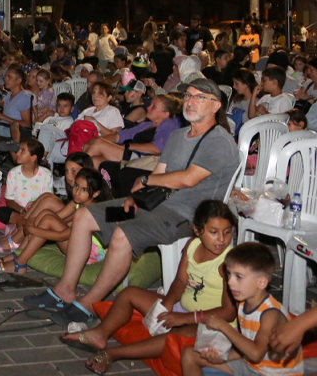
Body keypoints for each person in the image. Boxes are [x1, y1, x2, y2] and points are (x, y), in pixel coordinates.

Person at [25, 77, 241, 327]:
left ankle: (90, 304)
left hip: (185, 216)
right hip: (154, 206)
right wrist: (136, 198)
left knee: (122, 235)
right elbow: (161, 172)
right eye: (188, 96)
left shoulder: (219, 141)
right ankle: (65, 290)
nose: (190, 102)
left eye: (199, 97)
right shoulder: (179, 136)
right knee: (85, 215)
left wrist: (147, 180)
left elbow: (189, 179)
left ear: (216, 106)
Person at [62, 201, 237, 375]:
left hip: (211, 323)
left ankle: (114, 353)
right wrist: (168, 302)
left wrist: (185, 318)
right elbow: (181, 281)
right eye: (214, 232)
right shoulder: (192, 246)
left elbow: (229, 312)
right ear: (198, 230)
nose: (221, 239)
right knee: (129, 293)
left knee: (175, 337)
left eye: (227, 232)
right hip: (183, 309)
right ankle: (100, 334)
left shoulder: (228, 262)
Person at [180, 242, 302, 376]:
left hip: (272, 374)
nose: (230, 282)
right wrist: (223, 357)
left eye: (238, 277)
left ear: (261, 282)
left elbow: (256, 354)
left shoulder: (270, 314)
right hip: (249, 366)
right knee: (189, 354)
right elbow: (245, 348)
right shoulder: (243, 303)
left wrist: (224, 326)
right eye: (229, 274)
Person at [0, 167, 111, 273]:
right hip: (77, 243)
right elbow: (57, 216)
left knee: (47, 221)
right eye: (76, 186)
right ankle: (19, 254)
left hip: (88, 255)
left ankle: (20, 263)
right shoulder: (78, 202)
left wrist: (33, 230)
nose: (77, 192)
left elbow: (62, 236)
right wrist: (32, 224)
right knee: (46, 214)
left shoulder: (89, 211)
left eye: (84, 190)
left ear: (96, 194)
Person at [0, 139, 52, 227]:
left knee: (48, 215)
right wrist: (22, 210)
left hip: (38, 211)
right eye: (19, 150)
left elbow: (48, 200)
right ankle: (29, 223)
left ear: (33, 158)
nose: (17, 153)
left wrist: (32, 208)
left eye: (23, 151)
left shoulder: (46, 175)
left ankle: (24, 223)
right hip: (20, 211)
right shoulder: (13, 173)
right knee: (2, 212)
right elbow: (9, 200)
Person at [0, 66, 34, 146]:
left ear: (19, 80)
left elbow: (27, 124)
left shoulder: (24, 97)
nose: (6, 79)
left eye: (9, 77)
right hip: (0, 125)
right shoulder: (9, 95)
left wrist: (2, 116)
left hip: (9, 130)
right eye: (5, 76)